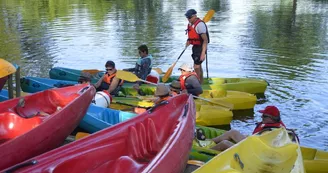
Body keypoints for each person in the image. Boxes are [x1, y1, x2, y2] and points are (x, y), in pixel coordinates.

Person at [197, 106, 288, 151]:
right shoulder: (273, 123)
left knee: (225, 143)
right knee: (233, 132)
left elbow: (262, 148)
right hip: (253, 144)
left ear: (271, 118)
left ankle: (205, 151)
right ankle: (208, 141)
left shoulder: (272, 132)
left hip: (253, 153)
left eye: (264, 116)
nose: (261, 118)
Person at [185, 9, 210, 84]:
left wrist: (203, 53)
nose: (188, 19)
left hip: (201, 47)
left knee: (196, 66)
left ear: (195, 16)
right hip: (195, 47)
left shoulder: (200, 25)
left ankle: (197, 84)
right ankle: (201, 82)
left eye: (189, 17)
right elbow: (192, 35)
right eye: (187, 17)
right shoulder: (190, 24)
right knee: (198, 66)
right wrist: (188, 41)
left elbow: (205, 40)